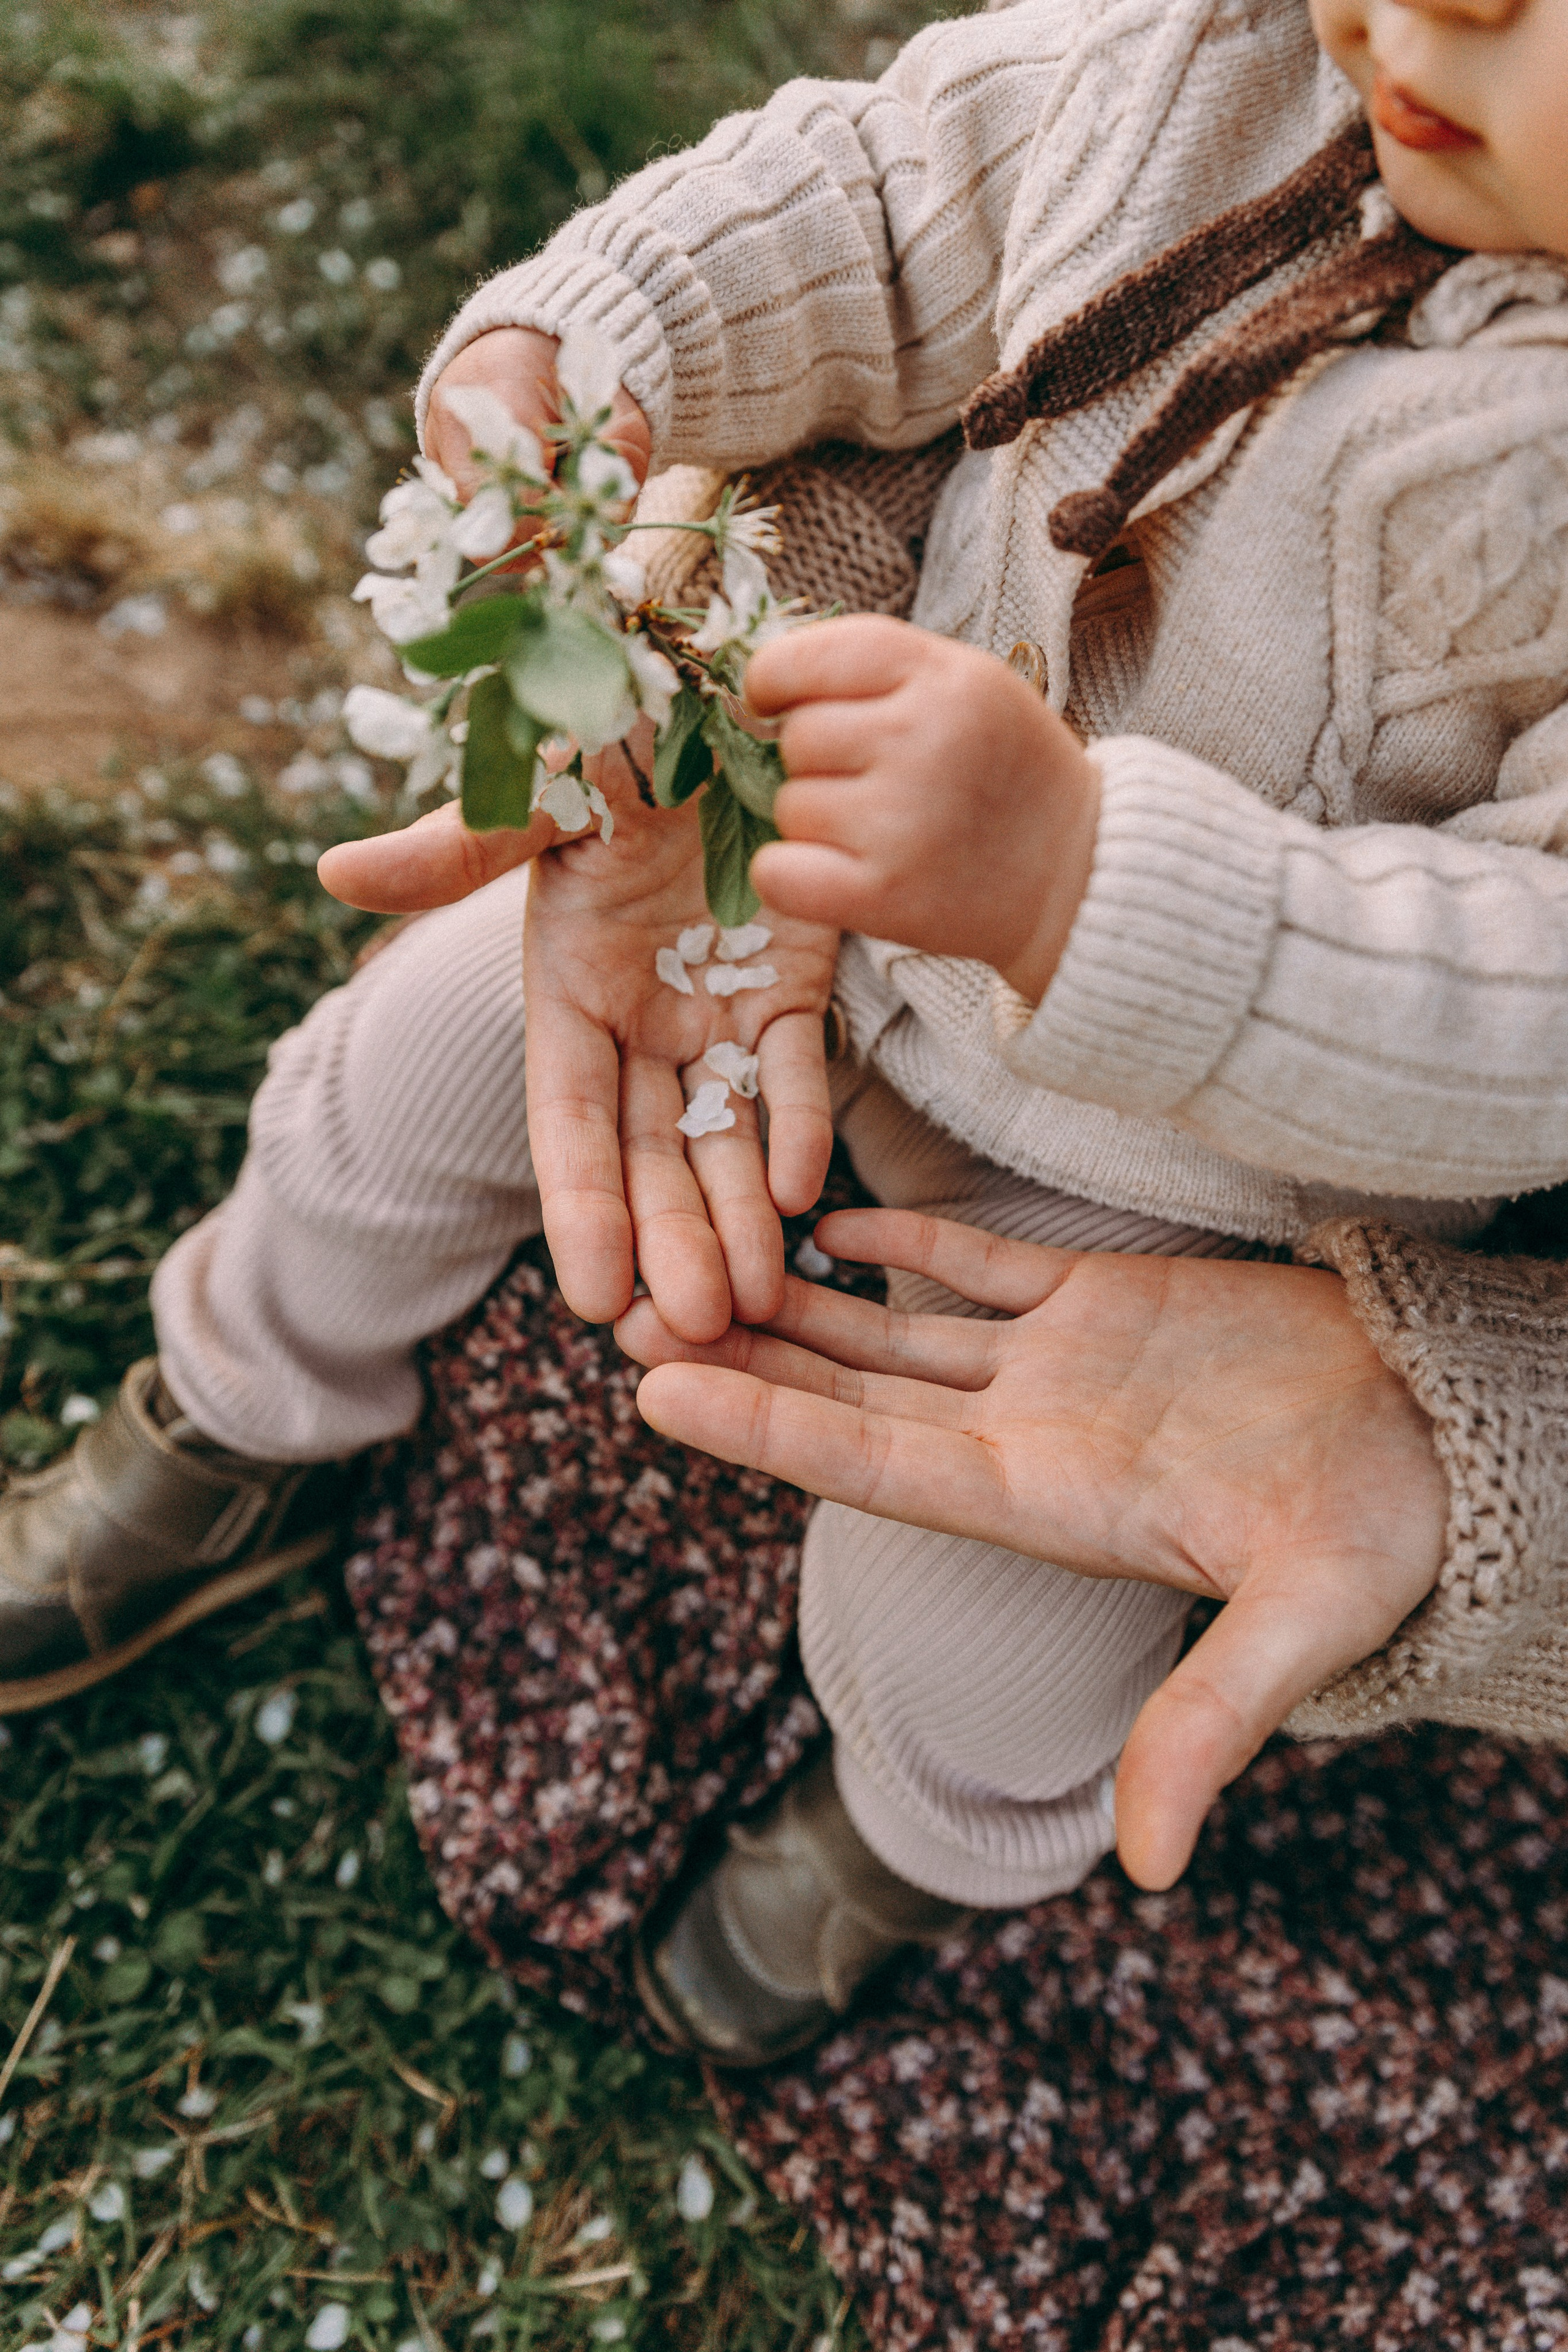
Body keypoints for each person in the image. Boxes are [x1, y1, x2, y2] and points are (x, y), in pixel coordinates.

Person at [6, 0, 1568, 2066]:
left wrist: (1082, 886)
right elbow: (893, 202)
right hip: (778, 901)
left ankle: (926, 1829)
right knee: (397, 1081)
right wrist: (597, 340)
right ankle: (238, 1402)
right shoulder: (1211, 56)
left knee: (983, 1629)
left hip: (1200, 1185)